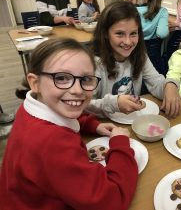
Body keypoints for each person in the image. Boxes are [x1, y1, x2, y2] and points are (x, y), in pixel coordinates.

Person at [0, 38, 138, 210]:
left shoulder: (30, 108)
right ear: (35, 83)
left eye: (86, 79)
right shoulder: (52, 143)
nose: (77, 90)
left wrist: (92, 125)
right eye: (62, 78)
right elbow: (111, 201)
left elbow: (60, 117)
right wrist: (121, 144)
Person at [87, 1, 181, 118]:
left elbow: (156, 83)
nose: (128, 42)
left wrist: (170, 85)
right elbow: (83, 105)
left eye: (133, 33)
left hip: (133, 123)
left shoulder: (139, 55)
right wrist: (114, 103)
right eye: (120, 34)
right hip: (104, 126)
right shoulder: (93, 64)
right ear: (106, 33)